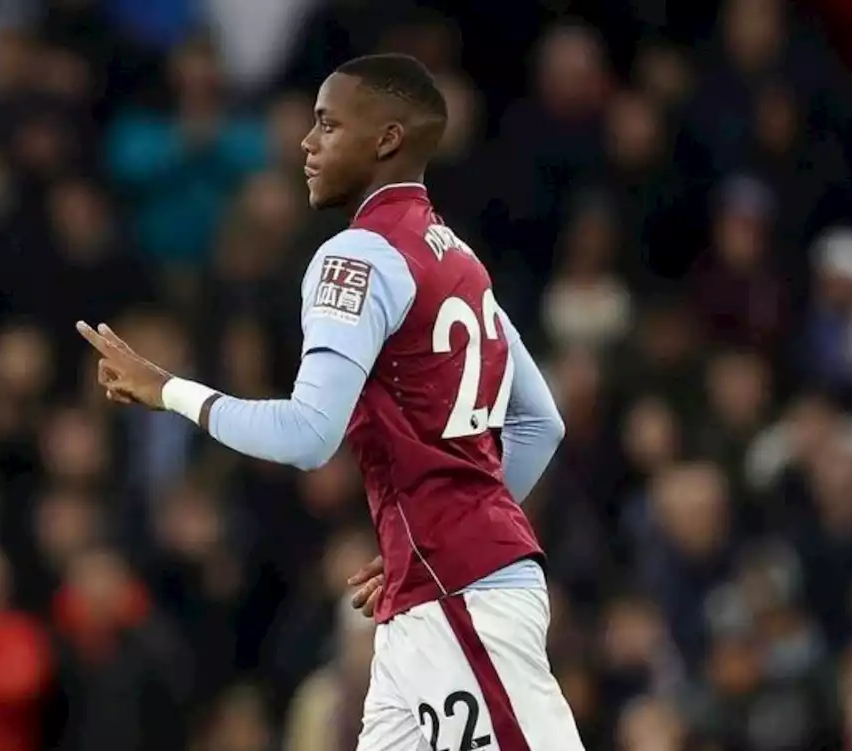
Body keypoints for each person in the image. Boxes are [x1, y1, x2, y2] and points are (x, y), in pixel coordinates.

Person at [76, 53, 583, 750]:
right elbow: (541, 422)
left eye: (327, 125)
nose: (307, 145)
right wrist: (433, 535)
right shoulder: (459, 258)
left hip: (460, 597)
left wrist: (171, 390)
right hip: (430, 592)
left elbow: (309, 434)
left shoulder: (357, 257)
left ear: (386, 140)